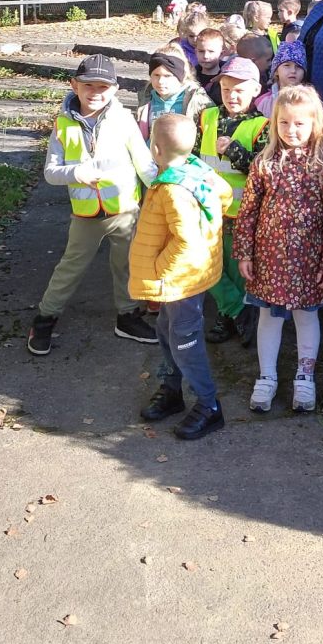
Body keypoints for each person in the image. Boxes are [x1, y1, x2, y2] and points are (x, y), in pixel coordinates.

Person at [27, 55, 159, 355]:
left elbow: (144, 163)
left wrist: (162, 189)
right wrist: (76, 173)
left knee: (126, 265)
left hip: (125, 211)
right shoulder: (63, 125)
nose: (95, 92)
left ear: (114, 89)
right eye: (88, 85)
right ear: (74, 85)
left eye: (103, 86)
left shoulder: (123, 120)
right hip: (85, 216)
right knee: (70, 267)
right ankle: (45, 319)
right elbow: (50, 172)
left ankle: (128, 316)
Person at [234, 85, 323, 413]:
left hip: (308, 262)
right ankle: (267, 376)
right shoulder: (264, 164)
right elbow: (248, 211)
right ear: (274, 123)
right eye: (284, 122)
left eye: (299, 123)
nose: (291, 130)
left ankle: (305, 376)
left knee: (306, 316)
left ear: (314, 125)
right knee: (268, 317)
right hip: (268, 260)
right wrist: (244, 252)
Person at [129, 114, 233, 441]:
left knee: (185, 341)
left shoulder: (173, 189)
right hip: (187, 276)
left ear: (155, 149)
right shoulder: (197, 170)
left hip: (180, 279)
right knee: (165, 329)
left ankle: (209, 405)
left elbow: (185, 240)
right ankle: (172, 388)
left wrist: (161, 269)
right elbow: (226, 195)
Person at [197, 56, 269, 346]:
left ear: (256, 90)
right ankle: (238, 310)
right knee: (204, 263)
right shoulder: (206, 117)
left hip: (242, 213)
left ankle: (229, 317)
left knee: (236, 268)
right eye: (226, 89)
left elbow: (264, 171)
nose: (232, 96)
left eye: (239, 90)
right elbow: (192, 156)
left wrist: (235, 151)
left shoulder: (263, 126)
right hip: (205, 208)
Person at [136, 48, 212, 143]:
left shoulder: (197, 100)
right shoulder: (146, 99)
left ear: (181, 76)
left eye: (167, 76)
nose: (161, 81)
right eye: (156, 75)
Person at [255, 38, 308, 116]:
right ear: (276, 71)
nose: (293, 70)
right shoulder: (263, 103)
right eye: (287, 65)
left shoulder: (309, 102)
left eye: (299, 66)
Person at [193, 26, 227, 101]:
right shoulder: (191, 76)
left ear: (221, 54)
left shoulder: (226, 77)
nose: (205, 56)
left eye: (211, 51)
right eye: (201, 51)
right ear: (196, 52)